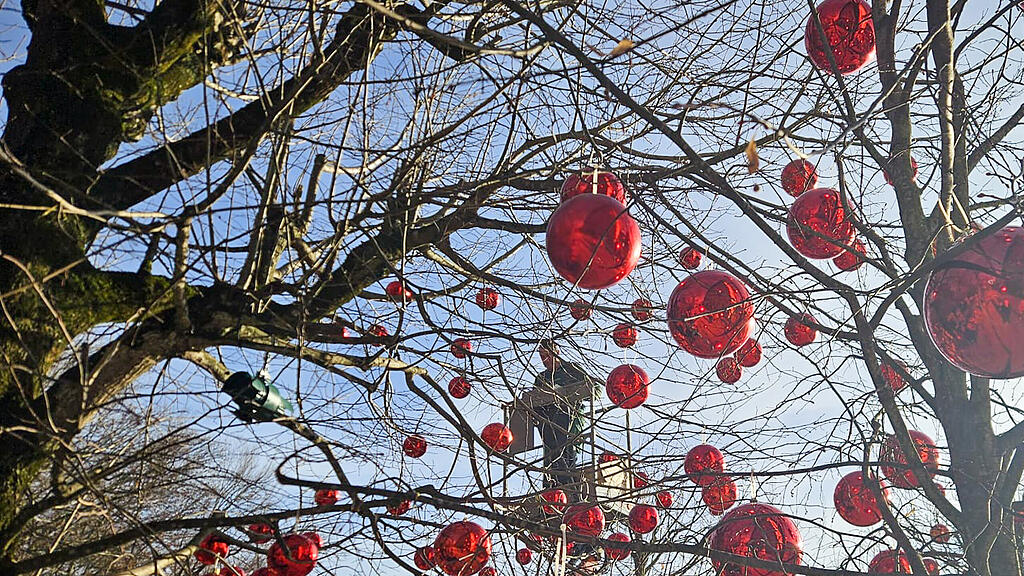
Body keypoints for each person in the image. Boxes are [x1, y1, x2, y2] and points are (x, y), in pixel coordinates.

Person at [533, 339, 600, 497]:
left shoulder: (571, 370)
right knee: (551, 460)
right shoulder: (541, 378)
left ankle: (570, 492)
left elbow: (595, 389)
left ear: (557, 352)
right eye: (542, 357)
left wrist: (565, 393)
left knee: (566, 456)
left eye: (548, 356)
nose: (545, 361)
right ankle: (551, 493)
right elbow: (533, 400)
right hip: (548, 426)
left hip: (569, 423)